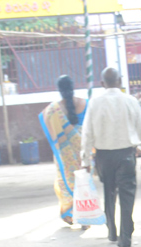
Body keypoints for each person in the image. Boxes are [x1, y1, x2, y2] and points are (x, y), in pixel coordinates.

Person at [80, 67, 141, 247]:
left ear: (102, 83)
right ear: (120, 81)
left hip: (103, 156)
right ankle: (125, 237)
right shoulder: (131, 101)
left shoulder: (94, 102)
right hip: (126, 154)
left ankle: (112, 230)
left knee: (109, 192)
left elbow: (87, 133)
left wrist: (85, 160)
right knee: (127, 196)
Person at [38, 74, 88, 224]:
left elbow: (51, 129)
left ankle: (69, 213)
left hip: (64, 152)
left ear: (59, 90)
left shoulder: (53, 109)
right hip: (82, 150)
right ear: (73, 87)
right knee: (83, 182)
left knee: (65, 181)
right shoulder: (86, 104)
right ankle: (86, 217)